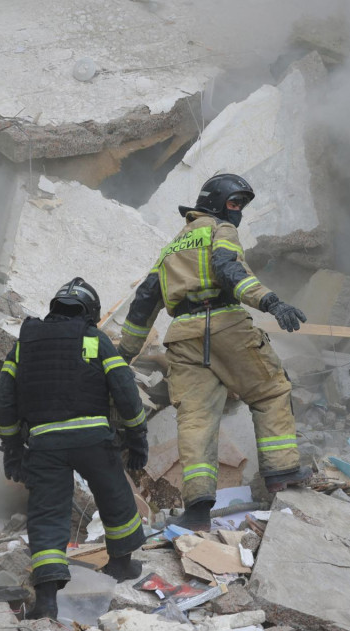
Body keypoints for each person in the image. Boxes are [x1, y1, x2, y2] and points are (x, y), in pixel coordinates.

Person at [118, 173, 311, 531]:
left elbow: (144, 301)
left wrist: (121, 357)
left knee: (195, 419)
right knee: (270, 391)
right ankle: (281, 472)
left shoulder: (172, 247)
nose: (237, 212)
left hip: (183, 336)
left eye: (240, 205)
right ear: (216, 203)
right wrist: (269, 301)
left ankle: (197, 508)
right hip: (225, 324)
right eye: (234, 203)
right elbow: (228, 269)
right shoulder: (220, 229)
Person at [0, 277, 149, 620]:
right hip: (93, 439)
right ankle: (121, 565)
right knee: (114, 495)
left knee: (48, 514)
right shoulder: (94, 339)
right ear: (90, 312)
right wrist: (137, 438)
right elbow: (125, 389)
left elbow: (4, 396)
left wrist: (12, 448)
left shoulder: (25, 344)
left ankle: (47, 600)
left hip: (45, 443)